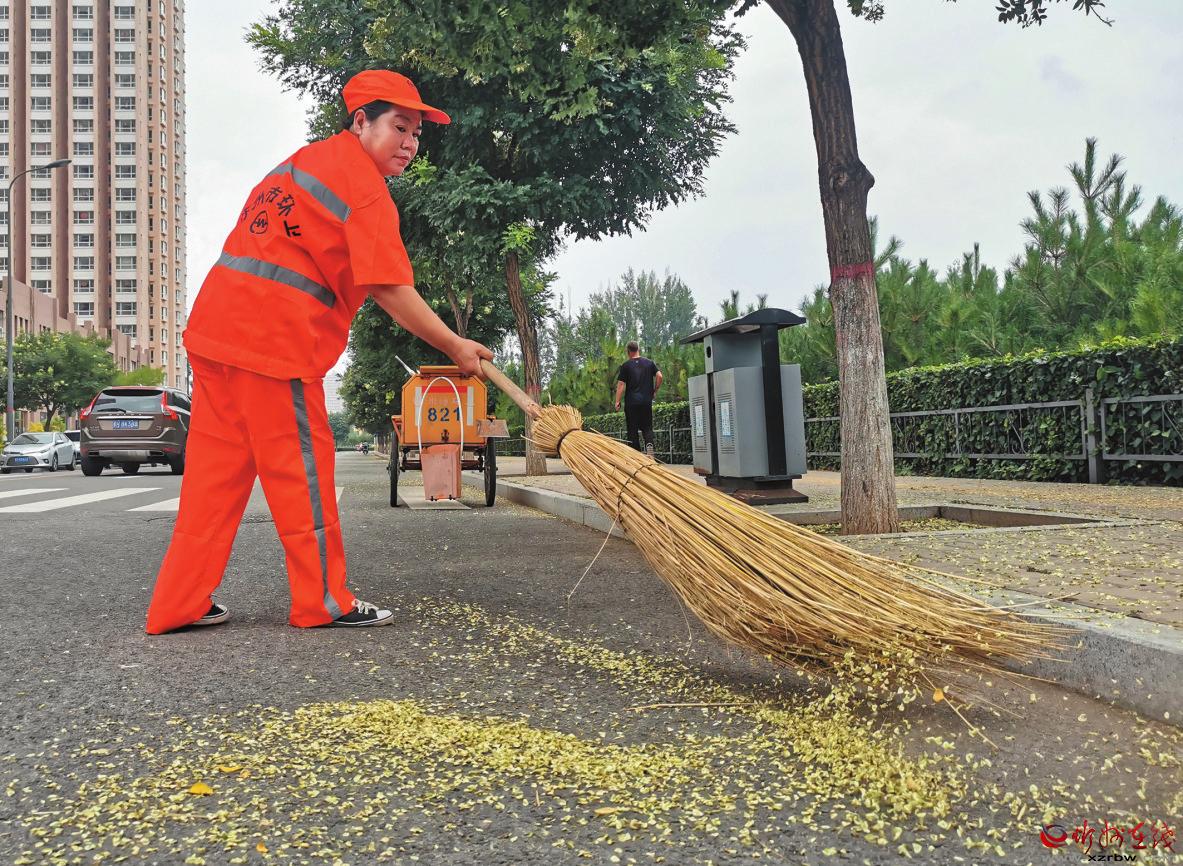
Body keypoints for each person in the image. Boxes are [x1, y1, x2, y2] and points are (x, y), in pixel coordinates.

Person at [145, 70, 493, 634]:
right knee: (301, 478)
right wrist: (455, 345)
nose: (410, 143)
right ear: (361, 121)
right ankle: (323, 601)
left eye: (417, 134)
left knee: (212, 481)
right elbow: (389, 288)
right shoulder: (363, 187)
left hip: (214, 336)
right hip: (274, 345)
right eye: (399, 127)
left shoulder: (300, 164)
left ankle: (177, 604)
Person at [614, 341, 663, 456]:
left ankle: (637, 456)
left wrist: (617, 401)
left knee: (632, 430)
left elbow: (621, 384)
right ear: (638, 349)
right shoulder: (649, 363)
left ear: (628, 351)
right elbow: (659, 376)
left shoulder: (626, 366)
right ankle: (649, 445)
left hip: (631, 403)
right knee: (647, 427)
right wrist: (655, 390)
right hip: (646, 401)